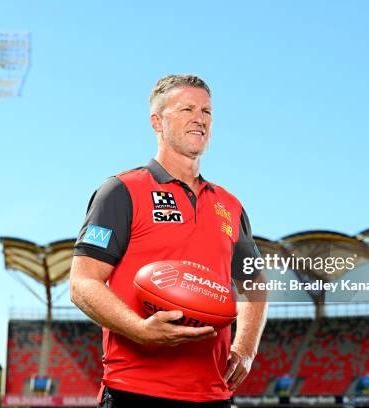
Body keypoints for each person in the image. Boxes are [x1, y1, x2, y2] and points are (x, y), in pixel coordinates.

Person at [70, 74, 267, 408]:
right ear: (156, 122)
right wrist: (139, 329)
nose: (199, 119)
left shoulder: (230, 205)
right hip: (134, 392)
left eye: (206, 111)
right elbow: (83, 283)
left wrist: (245, 349)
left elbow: (255, 285)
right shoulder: (121, 191)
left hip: (213, 395)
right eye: (186, 109)